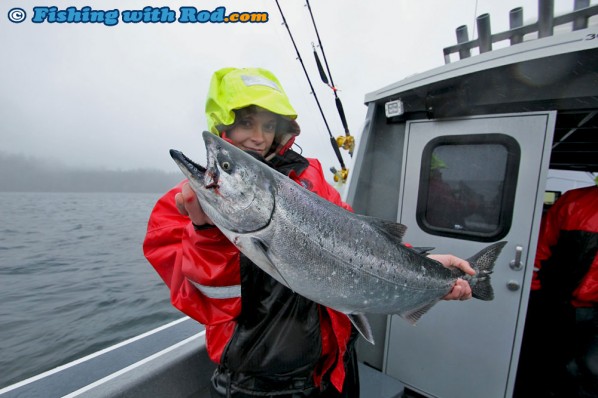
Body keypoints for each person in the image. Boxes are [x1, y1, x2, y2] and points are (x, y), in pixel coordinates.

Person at [143, 67, 475, 397]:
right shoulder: (177, 209)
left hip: (335, 366)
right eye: (246, 122)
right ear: (222, 123)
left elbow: (362, 242)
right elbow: (204, 302)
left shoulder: (309, 180)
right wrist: (206, 233)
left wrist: (426, 262)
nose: (259, 136)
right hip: (262, 382)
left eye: (269, 124)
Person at [515, 184, 598, 398]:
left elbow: (539, 248)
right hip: (560, 304)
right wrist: (533, 292)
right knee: (551, 363)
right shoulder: (574, 201)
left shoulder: (573, 200)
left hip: (561, 303)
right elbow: (539, 249)